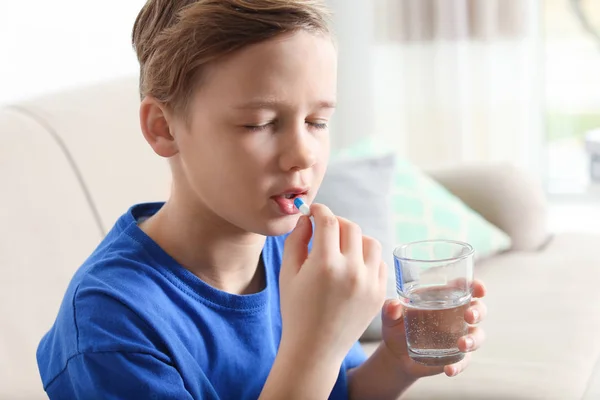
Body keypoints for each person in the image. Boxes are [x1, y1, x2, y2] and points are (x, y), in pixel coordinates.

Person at [36, 0, 487, 398]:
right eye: (260, 123)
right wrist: (313, 346)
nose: (303, 155)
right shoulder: (111, 326)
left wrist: (396, 362)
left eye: (317, 122)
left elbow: (335, 391)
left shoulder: (296, 255)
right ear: (163, 127)